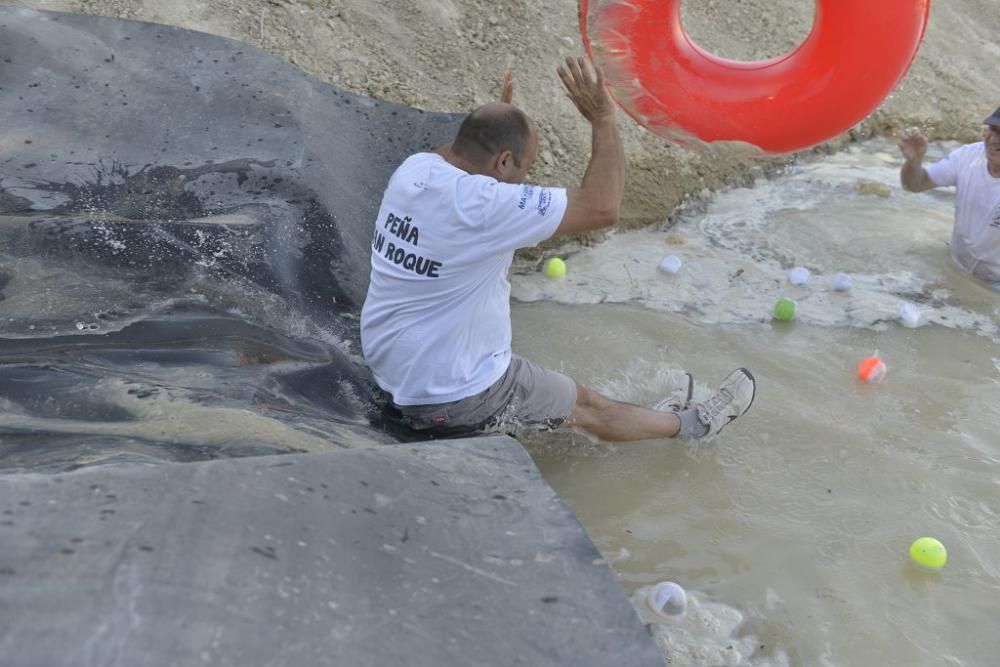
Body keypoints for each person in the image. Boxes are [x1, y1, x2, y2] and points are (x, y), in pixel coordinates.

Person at [360, 56, 755, 442]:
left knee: (559, 393)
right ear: (503, 161)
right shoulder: (486, 205)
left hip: (390, 371)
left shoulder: (415, 169)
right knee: (590, 407)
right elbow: (603, 207)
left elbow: (467, 149)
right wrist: (603, 119)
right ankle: (694, 426)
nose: (522, 181)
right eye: (524, 169)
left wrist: (500, 119)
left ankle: (655, 418)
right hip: (451, 397)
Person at [897, 106, 1000, 285]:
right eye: (993, 130)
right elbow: (914, 184)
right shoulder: (969, 156)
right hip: (956, 268)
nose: (994, 140)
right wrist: (913, 161)